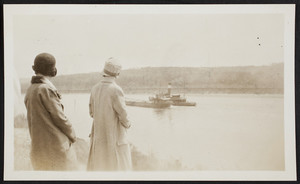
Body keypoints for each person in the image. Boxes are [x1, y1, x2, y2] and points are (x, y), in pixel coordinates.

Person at [24, 53, 77, 170]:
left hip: (38, 149)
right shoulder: (46, 89)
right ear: (52, 70)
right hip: (55, 149)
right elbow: (60, 118)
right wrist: (73, 135)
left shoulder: (30, 89)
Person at [87, 57, 132, 171]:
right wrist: (127, 124)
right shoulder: (116, 89)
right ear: (117, 74)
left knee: (100, 164)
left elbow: (91, 113)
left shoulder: (94, 88)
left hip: (98, 134)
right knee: (117, 166)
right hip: (114, 134)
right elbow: (123, 115)